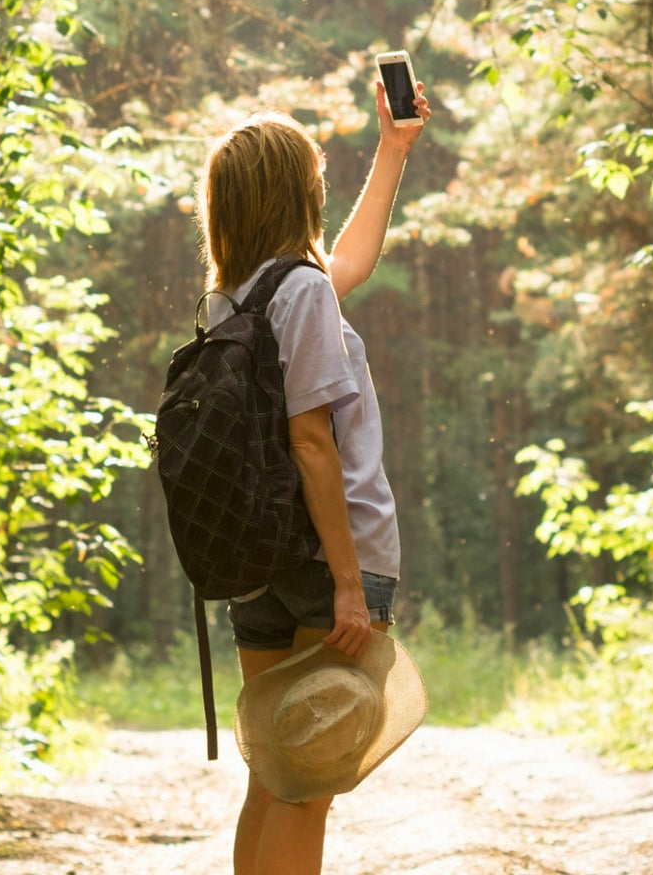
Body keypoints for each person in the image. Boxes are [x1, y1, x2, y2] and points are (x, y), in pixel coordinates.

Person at [193, 76, 431, 875]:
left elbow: (351, 261)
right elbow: (313, 444)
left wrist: (392, 152)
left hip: (255, 560)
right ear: (295, 193)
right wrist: (348, 585)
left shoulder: (236, 299)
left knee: (275, 774)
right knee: (309, 783)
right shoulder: (299, 294)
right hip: (326, 564)